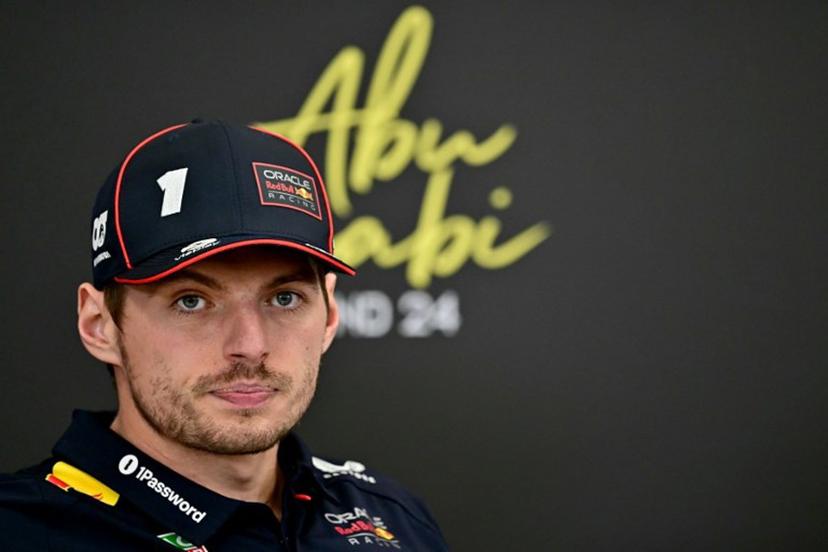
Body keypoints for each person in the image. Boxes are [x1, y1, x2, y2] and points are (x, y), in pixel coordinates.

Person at [0, 119, 449, 551]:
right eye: (191, 301)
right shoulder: (21, 532)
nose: (250, 346)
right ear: (99, 325)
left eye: (285, 298)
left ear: (329, 313)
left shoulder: (392, 519)